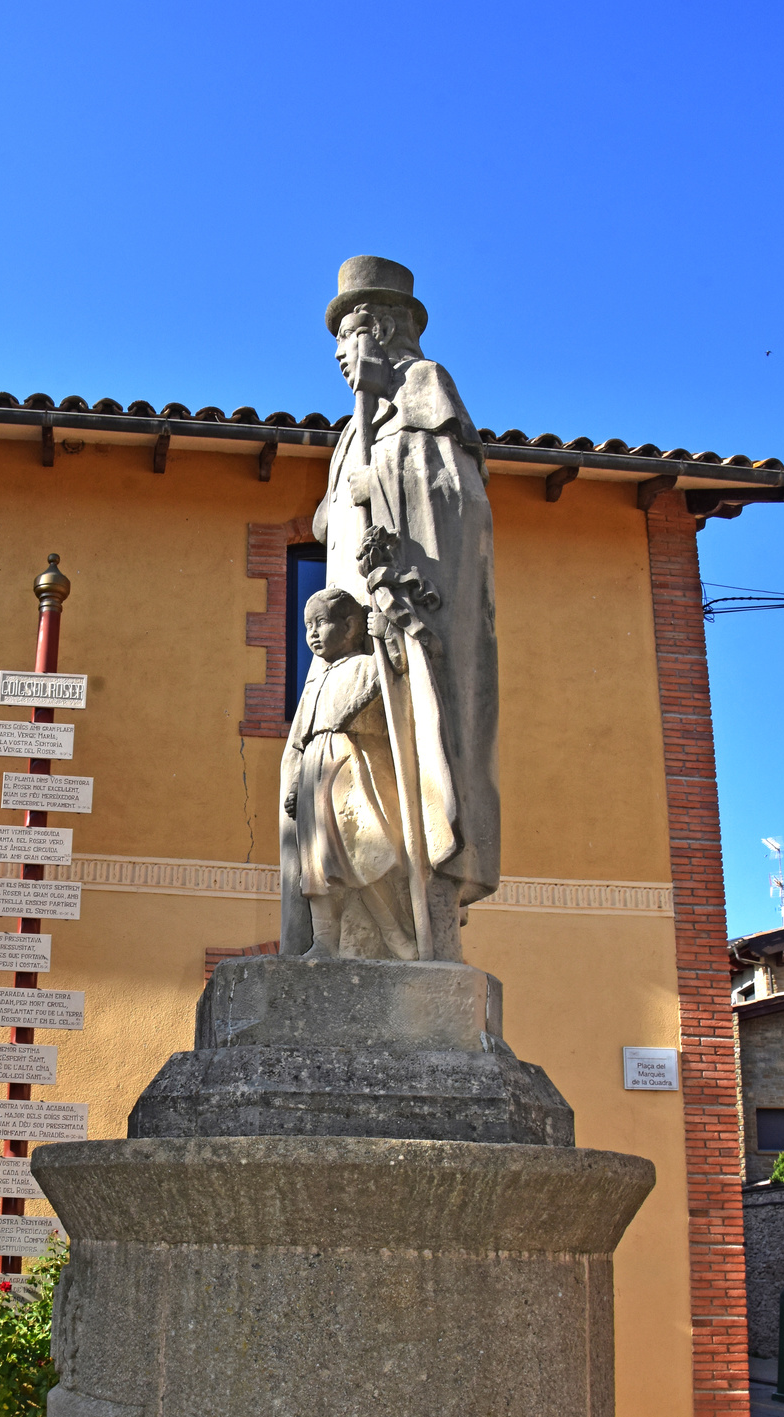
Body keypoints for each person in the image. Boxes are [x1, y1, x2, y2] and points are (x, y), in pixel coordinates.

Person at [280, 256, 500, 959]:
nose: (341, 357)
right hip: (351, 642)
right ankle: (344, 938)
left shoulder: (423, 388)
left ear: (381, 332)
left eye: (349, 339)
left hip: (397, 634)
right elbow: (325, 523)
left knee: (390, 791)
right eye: (337, 344)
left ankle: (406, 936)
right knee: (331, 804)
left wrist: (388, 475)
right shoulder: (355, 425)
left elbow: (451, 499)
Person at [280, 587, 415, 960]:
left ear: (351, 625)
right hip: (315, 770)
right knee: (317, 865)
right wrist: (295, 784)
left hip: (349, 763)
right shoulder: (315, 680)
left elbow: (400, 677)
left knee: (361, 855)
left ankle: (395, 934)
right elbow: (303, 739)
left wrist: (387, 635)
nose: (311, 634)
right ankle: (324, 941)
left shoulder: (367, 667)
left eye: (321, 623)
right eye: (307, 625)